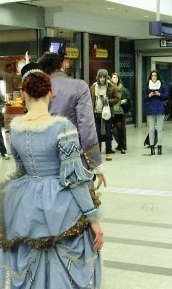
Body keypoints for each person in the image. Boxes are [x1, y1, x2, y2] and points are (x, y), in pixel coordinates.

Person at [0, 69, 105, 289]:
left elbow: (21, 168)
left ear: (24, 95)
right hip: (59, 202)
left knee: (29, 266)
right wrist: (93, 219)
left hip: (24, 198)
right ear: (51, 93)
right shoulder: (63, 127)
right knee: (60, 267)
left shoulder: (15, 126)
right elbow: (74, 179)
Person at [38, 53, 106, 189]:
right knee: (81, 201)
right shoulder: (79, 86)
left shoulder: (37, 88)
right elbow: (87, 126)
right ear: (62, 65)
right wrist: (95, 163)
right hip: (73, 155)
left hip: (44, 157)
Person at [90, 69, 118, 161]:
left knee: (108, 134)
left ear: (106, 78)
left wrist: (108, 101)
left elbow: (117, 99)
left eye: (104, 77)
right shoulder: (93, 87)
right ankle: (98, 153)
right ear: (98, 78)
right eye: (100, 77)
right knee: (97, 134)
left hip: (107, 114)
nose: (102, 79)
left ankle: (108, 152)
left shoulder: (111, 87)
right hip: (96, 114)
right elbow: (89, 99)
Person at [143, 70, 169, 156]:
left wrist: (159, 94)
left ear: (158, 77)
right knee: (151, 129)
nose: (154, 77)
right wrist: (149, 95)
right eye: (152, 76)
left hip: (160, 108)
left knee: (160, 129)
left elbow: (166, 96)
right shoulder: (147, 86)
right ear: (150, 77)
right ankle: (151, 146)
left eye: (155, 76)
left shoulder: (162, 85)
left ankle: (160, 145)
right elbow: (144, 98)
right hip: (150, 108)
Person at [110, 72, 130, 154]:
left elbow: (128, 97)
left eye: (116, 77)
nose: (115, 79)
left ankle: (122, 145)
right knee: (110, 130)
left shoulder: (122, 88)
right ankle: (110, 147)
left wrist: (125, 100)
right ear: (111, 78)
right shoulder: (108, 87)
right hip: (110, 111)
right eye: (114, 77)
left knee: (120, 129)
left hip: (119, 111)